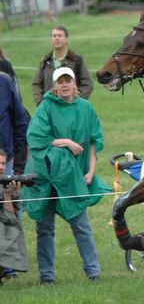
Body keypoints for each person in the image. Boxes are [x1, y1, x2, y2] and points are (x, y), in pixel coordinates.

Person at [22, 67, 111, 284]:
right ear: (54, 86)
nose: (64, 85)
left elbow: (92, 141)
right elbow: (36, 139)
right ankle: (46, 276)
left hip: (72, 177)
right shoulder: (46, 107)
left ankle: (93, 272)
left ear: (74, 85)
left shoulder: (86, 108)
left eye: (67, 81)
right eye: (59, 81)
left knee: (81, 225)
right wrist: (67, 142)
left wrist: (90, 171)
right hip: (46, 175)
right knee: (44, 228)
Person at [32, 26, 93, 106]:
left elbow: (88, 84)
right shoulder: (45, 61)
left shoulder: (77, 60)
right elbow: (37, 84)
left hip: (72, 108)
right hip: (50, 109)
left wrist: (76, 102)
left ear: (67, 39)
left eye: (60, 36)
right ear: (51, 39)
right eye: (54, 36)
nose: (57, 38)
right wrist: (41, 103)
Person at [0, 149, 28, 283]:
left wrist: (8, 194)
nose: (1, 167)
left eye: (3, 163)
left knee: (12, 230)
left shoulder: (5, 184)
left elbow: (11, 219)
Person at [0, 72, 28, 177]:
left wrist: (11, 151)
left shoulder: (4, 82)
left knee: (4, 192)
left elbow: (20, 118)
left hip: (3, 158)